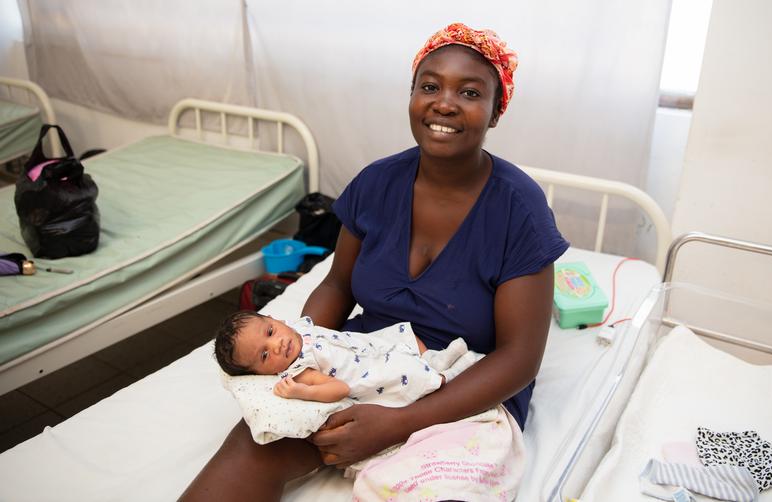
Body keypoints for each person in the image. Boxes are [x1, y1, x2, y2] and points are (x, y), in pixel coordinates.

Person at [181, 22, 568, 501]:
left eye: (469, 92)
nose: (444, 103)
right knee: (251, 445)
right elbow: (338, 286)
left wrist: (399, 424)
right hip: (364, 366)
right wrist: (301, 359)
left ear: (494, 113)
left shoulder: (519, 210)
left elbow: (519, 359)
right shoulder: (376, 183)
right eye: (430, 86)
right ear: (411, 96)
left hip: (465, 389)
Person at [213, 311, 480, 404]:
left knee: (404, 339)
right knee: (409, 375)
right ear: (262, 373)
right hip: (371, 374)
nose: (277, 344)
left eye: (270, 332)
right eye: (264, 355)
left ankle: (437, 359)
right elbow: (339, 389)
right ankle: (449, 375)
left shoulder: (298, 328)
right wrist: (303, 392)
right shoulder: (300, 370)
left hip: (370, 348)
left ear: (274, 319)